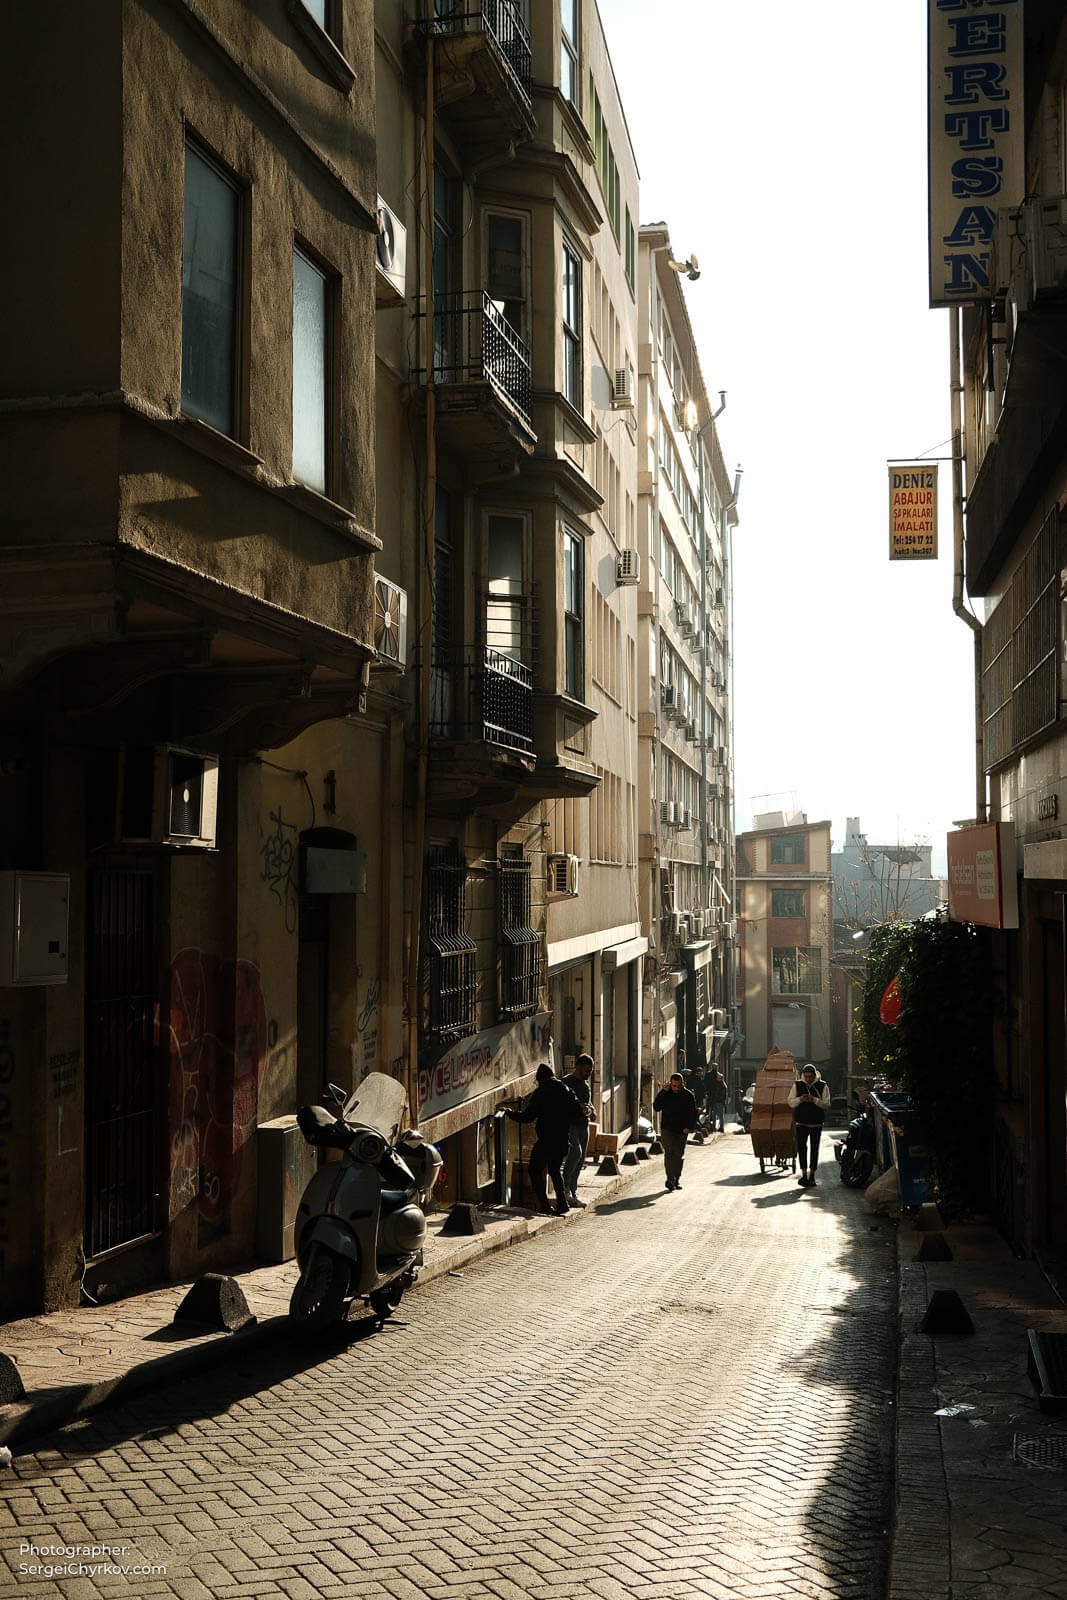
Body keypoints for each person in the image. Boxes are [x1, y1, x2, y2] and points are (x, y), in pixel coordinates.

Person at [506, 1063, 584, 1215]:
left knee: (534, 1170)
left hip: (546, 1139)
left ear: (541, 1079)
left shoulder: (541, 1092)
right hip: (562, 1139)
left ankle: (545, 1205)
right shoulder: (566, 1090)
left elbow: (528, 1117)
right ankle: (562, 1204)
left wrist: (511, 1113)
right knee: (554, 1170)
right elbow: (577, 1113)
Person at [652, 1071, 698, 1191]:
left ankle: (676, 1178)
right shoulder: (666, 1093)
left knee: (678, 1154)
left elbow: (693, 1113)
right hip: (667, 1128)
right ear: (670, 1084)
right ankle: (670, 1178)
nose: (676, 1088)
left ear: (682, 1083)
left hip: (682, 1130)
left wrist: (689, 1127)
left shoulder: (688, 1095)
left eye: (679, 1086)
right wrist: (663, 1092)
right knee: (669, 1153)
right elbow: (656, 1107)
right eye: (674, 1086)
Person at [788, 1062, 831, 1187]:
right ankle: (804, 1174)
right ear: (803, 1075)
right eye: (806, 1076)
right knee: (801, 1148)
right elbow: (790, 1102)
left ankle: (812, 1175)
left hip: (816, 1123)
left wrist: (814, 1100)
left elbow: (827, 1104)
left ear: (814, 1075)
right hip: (801, 1122)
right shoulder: (797, 1085)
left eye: (810, 1077)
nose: (808, 1079)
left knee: (814, 1149)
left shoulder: (823, 1085)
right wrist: (800, 1099)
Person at [561, 1053, 595, 1208]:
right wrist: (576, 1108)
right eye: (586, 1071)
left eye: (590, 1071)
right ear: (578, 1067)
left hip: (583, 1125)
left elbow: (588, 1103)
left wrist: (592, 1111)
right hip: (570, 1125)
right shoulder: (566, 1082)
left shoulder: (585, 1086)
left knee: (581, 1160)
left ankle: (573, 1193)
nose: (588, 1074)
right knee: (576, 1153)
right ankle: (564, 1187)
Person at [707, 1066, 728, 1132]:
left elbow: (722, 1095)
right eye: (717, 1078)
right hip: (715, 1101)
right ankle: (714, 1127)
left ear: (721, 1078)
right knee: (714, 1115)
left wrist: (719, 1100)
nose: (717, 1079)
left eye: (719, 1078)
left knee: (720, 1115)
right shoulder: (717, 1084)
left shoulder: (722, 1085)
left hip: (719, 1102)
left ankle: (721, 1127)